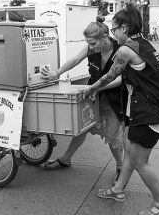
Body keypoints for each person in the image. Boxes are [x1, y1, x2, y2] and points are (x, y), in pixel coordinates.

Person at [84, 4, 159, 215]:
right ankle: (117, 189)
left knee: (140, 161)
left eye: (114, 30)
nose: (113, 34)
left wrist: (92, 88)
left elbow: (110, 76)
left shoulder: (125, 49)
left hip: (150, 113)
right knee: (130, 152)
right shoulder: (143, 43)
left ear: (124, 28)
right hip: (147, 108)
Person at [41, 17, 125, 185]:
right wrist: (56, 73)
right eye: (89, 44)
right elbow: (75, 60)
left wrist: (96, 88)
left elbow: (122, 78)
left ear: (105, 38)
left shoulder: (120, 50)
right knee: (82, 127)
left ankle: (121, 167)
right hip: (93, 95)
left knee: (112, 136)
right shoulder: (92, 47)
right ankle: (66, 159)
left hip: (114, 100)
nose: (90, 47)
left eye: (93, 43)